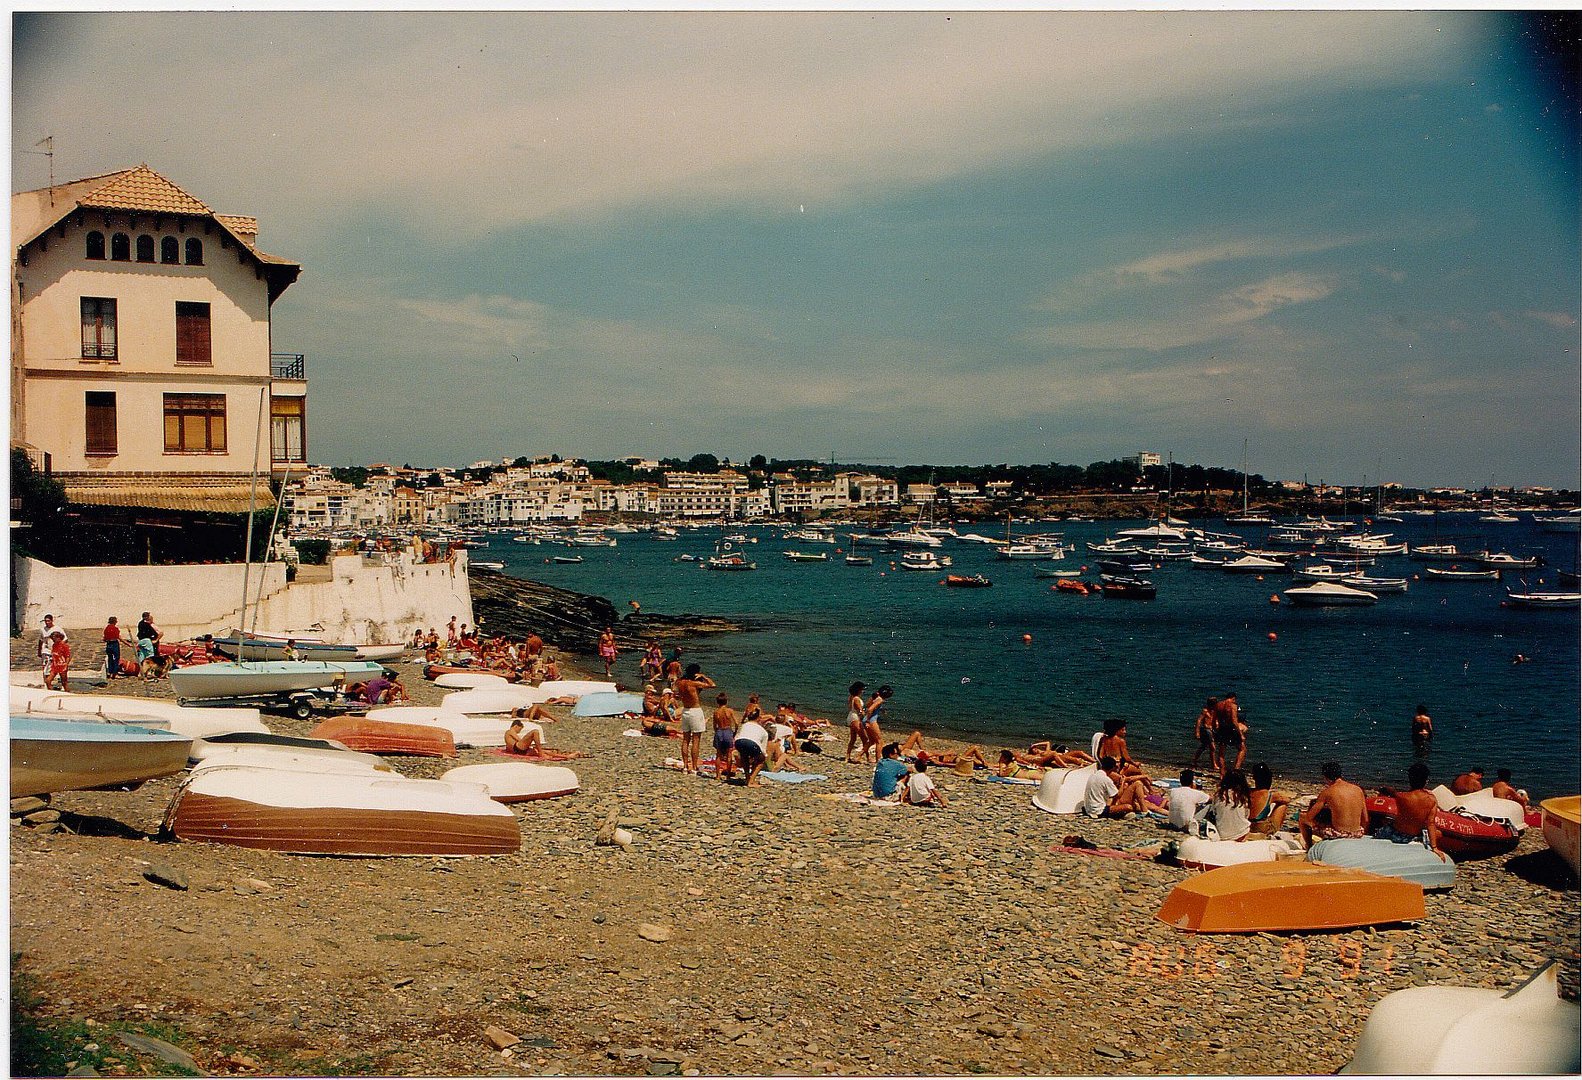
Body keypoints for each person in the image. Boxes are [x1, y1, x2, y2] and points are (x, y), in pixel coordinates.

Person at [1375, 762, 1445, 857]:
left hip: (1397, 835)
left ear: (1410, 779)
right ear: (1426, 781)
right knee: (1439, 833)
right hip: (1415, 836)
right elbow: (1430, 823)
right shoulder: (1431, 799)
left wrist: (1384, 788)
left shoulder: (1401, 796)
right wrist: (1434, 847)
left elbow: (1391, 792)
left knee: (1382, 825)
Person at [1298, 761, 1369, 846]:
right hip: (1357, 833)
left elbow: (1309, 817)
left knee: (1302, 817)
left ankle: (1308, 846)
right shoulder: (1358, 790)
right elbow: (1365, 819)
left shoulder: (1327, 792)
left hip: (1339, 835)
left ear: (1325, 777)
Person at [675, 663, 717, 775]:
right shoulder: (694, 683)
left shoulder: (680, 683)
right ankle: (693, 767)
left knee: (685, 739)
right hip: (695, 711)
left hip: (685, 711)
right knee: (696, 740)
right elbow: (712, 685)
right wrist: (703, 676)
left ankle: (685, 766)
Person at [1079, 756, 1153, 818]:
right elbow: (1117, 795)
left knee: (1136, 785)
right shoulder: (1106, 779)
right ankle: (1144, 811)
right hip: (1099, 810)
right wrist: (1122, 783)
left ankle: (1144, 810)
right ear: (1112, 767)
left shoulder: (1093, 775)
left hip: (1090, 808)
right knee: (1128, 807)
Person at [1204, 769, 1254, 841]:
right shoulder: (1243, 796)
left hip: (1222, 834)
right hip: (1241, 834)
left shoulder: (1218, 795)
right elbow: (1246, 815)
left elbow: (1214, 813)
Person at [1247, 763, 1292, 835]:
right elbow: (1288, 800)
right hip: (1261, 829)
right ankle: (1274, 831)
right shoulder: (1271, 795)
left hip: (1247, 825)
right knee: (1283, 805)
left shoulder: (1248, 791)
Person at [733, 713, 770, 787]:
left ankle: (747, 778)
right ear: (758, 719)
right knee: (761, 761)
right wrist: (764, 756)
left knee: (744, 757)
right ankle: (751, 781)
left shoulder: (745, 725)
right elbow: (763, 749)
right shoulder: (763, 731)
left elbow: (738, 735)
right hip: (752, 743)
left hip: (739, 742)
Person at [1215, 692, 1247, 772]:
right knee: (1242, 749)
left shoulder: (1218, 704)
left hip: (1222, 728)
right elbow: (1234, 720)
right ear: (1233, 698)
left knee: (1221, 753)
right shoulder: (1233, 706)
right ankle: (1236, 770)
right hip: (1231, 728)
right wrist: (1240, 734)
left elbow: (1215, 718)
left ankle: (1222, 774)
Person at [861, 685, 893, 766]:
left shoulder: (875, 698)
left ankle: (858, 756)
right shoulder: (880, 700)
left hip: (866, 720)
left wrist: (880, 709)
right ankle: (878, 760)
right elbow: (870, 709)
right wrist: (868, 721)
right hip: (871, 721)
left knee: (871, 741)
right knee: (879, 741)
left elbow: (868, 705)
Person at [711, 693, 739, 781]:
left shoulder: (716, 712)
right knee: (729, 754)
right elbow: (736, 723)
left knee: (718, 754)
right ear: (726, 702)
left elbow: (714, 725)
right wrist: (735, 732)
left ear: (717, 702)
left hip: (719, 730)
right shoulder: (730, 711)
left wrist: (717, 732)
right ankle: (728, 775)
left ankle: (718, 775)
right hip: (727, 731)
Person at [1191, 697, 1221, 773]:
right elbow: (1199, 720)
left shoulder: (1215, 711)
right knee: (1212, 747)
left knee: (1203, 746)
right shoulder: (1205, 711)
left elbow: (1216, 720)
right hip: (1206, 730)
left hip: (1212, 730)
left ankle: (1194, 760)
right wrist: (1197, 732)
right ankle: (1214, 764)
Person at [844, 681, 867, 763]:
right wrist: (866, 717)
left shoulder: (851, 697)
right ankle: (866, 757)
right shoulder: (857, 699)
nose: (863, 691)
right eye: (862, 689)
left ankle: (847, 756)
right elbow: (860, 711)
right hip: (855, 718)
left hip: (851, 716)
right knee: (865, 739)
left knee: (853, 739)